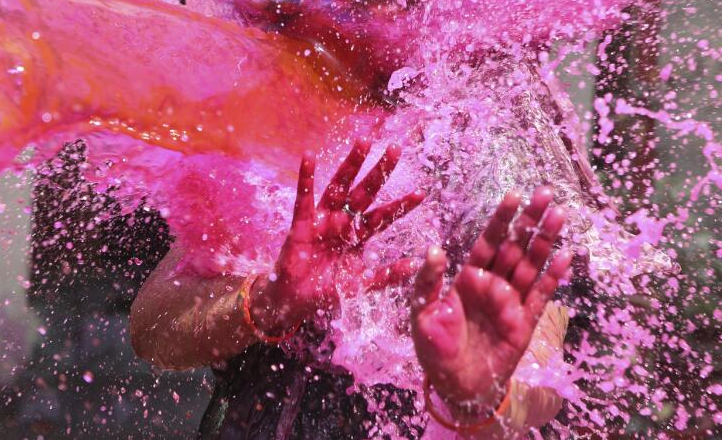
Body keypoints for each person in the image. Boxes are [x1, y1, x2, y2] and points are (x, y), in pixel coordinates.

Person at [130, 136, 576, 438]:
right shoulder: (268, 114)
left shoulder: (492, 133)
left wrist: (480, 397)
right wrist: (268, 302)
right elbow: (151, 330)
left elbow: (543, 385)